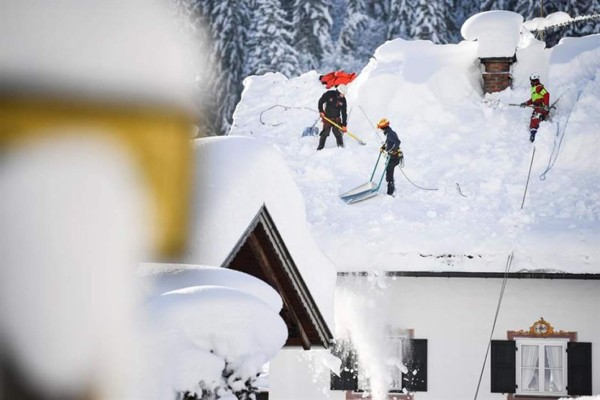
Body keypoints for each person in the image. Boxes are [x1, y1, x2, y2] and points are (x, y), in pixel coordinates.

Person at [317, 84, 348, 150]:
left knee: (337, 132)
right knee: (325, 132)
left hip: (336, 118)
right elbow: (321, 101)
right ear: (339, 92)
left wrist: (344, 125)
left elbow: (344, 113)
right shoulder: (329, 94)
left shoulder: (343, 100)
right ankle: (320, 147)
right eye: (342, 94)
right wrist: (321, 111)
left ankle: (341, 147)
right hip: (327, 117)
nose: (343, 95)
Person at [520, 73, 550, 143]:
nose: (531, 82)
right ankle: (535, 134)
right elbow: (533, 99)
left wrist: (546, 105)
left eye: (533, 81)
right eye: (531, 81)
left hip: (541, 108)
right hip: (537, 108)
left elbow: (546, 94)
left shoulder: (538, 87)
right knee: (533, 121)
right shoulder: (534, 88)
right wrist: (526, 103)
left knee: (534, 120)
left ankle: (534, 136)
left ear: (536, 80)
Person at [377, 118, 403, 196]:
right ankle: (391, 186)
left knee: (389, 171)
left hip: (394, 157)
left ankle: (391, 192)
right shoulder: (389, 133)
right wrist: (383, 147)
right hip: (391, 156)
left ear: (382, 128)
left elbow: (398, 142)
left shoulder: (390, 134)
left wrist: (393, 150)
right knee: (388, 171)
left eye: (380, 128)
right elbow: (388, 143)